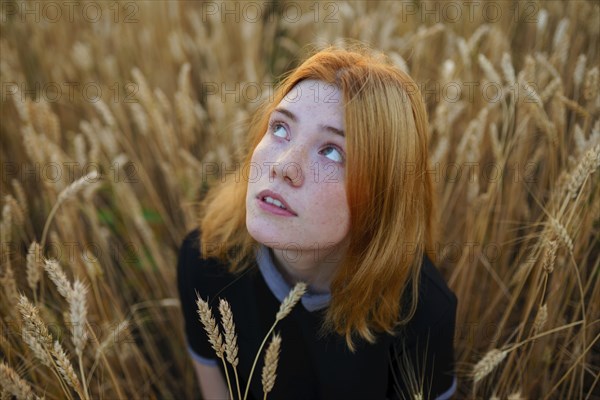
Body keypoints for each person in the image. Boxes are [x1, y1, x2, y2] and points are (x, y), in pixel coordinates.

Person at [177, 45, 457, 400]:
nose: (283, 166)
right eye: (280, 128)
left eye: (332, 151)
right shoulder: (206, 262)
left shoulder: (420, 312)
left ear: (381, 193)